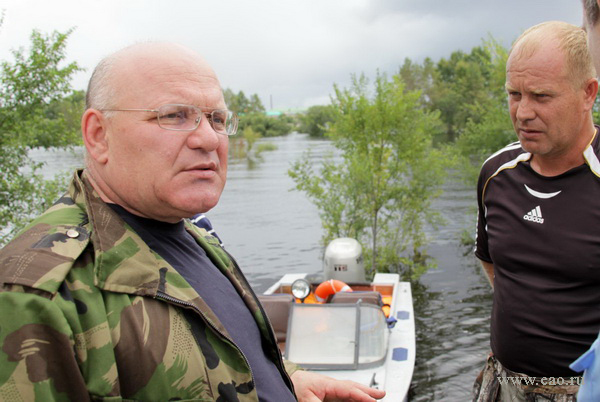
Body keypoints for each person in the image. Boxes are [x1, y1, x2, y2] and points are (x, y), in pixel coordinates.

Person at [0, 42, 385, 401]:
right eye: (174, 116)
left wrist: (289, 380)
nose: (208, 139)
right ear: (99, 136)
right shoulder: (36, 295)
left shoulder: (195, 235)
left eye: (217, 119)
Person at [473, 21, 600, 401]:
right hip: (504, 384)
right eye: (514, 94)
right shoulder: (496, 175)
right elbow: (493, 262)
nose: (523, 112)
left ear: (587, 94)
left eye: (541, 96)